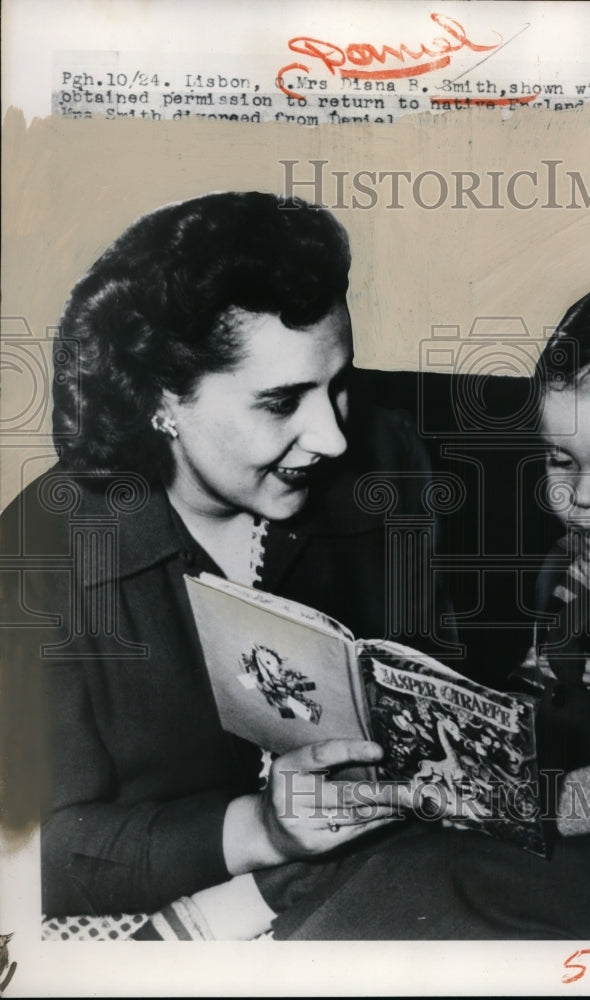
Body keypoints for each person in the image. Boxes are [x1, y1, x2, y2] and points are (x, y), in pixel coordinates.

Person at [233, 270, 590, 941]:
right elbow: (546, 682)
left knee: (447, 877)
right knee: (386, 815)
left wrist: (543, 806)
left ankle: (303, 947)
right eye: (560, 461)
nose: (583, 497)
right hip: (560, 812)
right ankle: (245, 915)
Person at [0, 191, 451, 929]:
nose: (333, 438)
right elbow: (36, 855)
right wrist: (259, 830)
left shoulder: (386, 460)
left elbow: (429, 665)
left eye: (338, 387)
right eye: (281, 403)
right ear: (162, 403)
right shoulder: (36, 561)